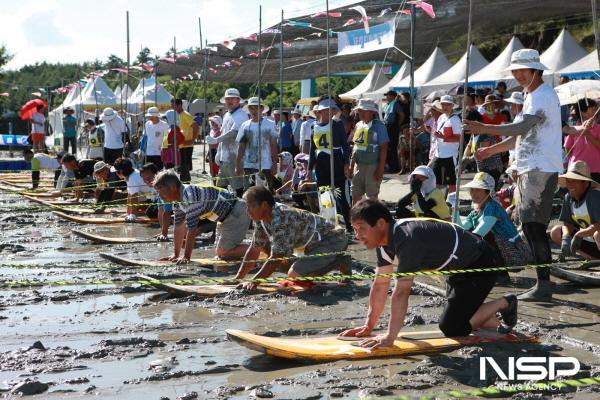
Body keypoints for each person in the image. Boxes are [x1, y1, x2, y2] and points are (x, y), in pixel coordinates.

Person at [339, 199, 517, 348]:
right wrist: (368, 326)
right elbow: (380, 285)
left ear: (380, 223)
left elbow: (401, 292)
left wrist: (389, 337)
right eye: (354, 229)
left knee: (452, 327)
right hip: (456, 269)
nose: (357, 235)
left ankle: (506, 302)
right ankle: (498, 322)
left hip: (480, 263)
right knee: (462, 315)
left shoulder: (407, 238)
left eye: (361, 228)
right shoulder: (384, 241)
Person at [464, 48, 563, 301]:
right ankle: (542, 282)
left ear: (535, 70)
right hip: (530, 167)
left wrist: (484, 126)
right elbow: (519, 137)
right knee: (530, 226)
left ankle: (543, 285)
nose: (518, 74)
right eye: (515, 70)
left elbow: (521, 127)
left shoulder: (542, 95)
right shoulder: (532, 95)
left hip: (540, 168)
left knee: (534, 227)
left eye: (522, 70)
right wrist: (490, 151)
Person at [235, 186, 351, 290]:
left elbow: (276, 258)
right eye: (247, 206)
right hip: (311, 244)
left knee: (294, 274)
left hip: (333, 239)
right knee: (279, 261)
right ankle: (314, 267)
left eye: (252, 206)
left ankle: (340, 263)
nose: (248, 211)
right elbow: (254, 249)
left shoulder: (280, 219)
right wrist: (238, 277)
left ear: (264, 205)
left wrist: (254, 281)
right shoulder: (262, 219)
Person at [153, 170, 254, 262]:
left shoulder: (189, 196)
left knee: (224, 252)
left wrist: (186, 257)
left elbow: (191, 230)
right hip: (224, 217)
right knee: (220, 253)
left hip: (236, 213)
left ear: (172, 187)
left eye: (161, 190)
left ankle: (259, 249)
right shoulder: (178, 200)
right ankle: (256, 248)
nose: (160, 195)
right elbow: (179, 226)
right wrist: (176, 254)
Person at [454, 172, 532, 273]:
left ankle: (499, 273)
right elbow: (462, 228)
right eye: (472, 190)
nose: (473, 193)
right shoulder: (476, 210)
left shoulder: (492, 207)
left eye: (478, 190)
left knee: (485, 237)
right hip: (503, 249)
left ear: (488, 192)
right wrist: (455, 211)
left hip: (515, 254)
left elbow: (479, 233)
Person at [307, 98, 352, 232]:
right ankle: (327, 224)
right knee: (324, 194)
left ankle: (349, 225)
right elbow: (312, 149)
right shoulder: (313, 126)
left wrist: (346, 163)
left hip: (336, 160)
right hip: (321, 162)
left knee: (340, 195)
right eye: (325, 111)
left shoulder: (337, 124)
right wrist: (309, 169)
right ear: (319, 112)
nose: (328, 113)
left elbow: (345, 145)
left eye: (331, 110)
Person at [551, 161, 600, 261]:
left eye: (574, 181)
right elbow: (567, 222)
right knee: (556, 231)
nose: (570, 184)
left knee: (598, 234)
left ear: (585, 183)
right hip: (589, 241)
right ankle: (590, 258)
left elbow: (598, 225)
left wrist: (579, 234)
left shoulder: (594, 196)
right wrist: (566, 237)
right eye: (568, 181)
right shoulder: (568, 197)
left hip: (596, 236)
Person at [348, 99, 389, 205]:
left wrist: (380, 169)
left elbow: (383, 148)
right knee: (355, 195)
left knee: (372, 198)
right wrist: (351, 166)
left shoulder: (379, 126)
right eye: (360, 110)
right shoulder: (358, 125)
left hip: (372, 165)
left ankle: (371, 220)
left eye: (364, 110)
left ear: (372, 112)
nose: (361, 113)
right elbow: (355, 147)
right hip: (358, 165)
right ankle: (355, 220)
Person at [208, 88, 248, 197]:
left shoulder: (241, 115)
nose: (229, 101)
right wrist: (218, 152)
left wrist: (216, 140)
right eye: (227, 99)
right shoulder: (226, 115)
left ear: (238, 100)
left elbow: (234, 132)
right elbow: (223, 132)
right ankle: (224, 207)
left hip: (235, 155)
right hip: (225, 156)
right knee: (221, 186)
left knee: (237, 185)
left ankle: (239, 206)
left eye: (232, 99)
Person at [233, 97, 278, 191]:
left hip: (265, 165)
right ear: (248, 109)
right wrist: (237, 165)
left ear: (261, 109)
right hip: (248, 165)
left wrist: (274, 164)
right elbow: (241, 147)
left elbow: (273, 145)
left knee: (266, 193)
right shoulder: (245, 125)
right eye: (251, 108)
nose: (254, 110)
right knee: (249, 193)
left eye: (256, 107)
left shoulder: (270, 124)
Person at [563, 98, 600, 183]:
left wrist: (588, 135)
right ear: (583, 113)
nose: (596, 111)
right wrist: (575, 160)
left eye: (596, 108)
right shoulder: (573, 129)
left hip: (595, 169)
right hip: (576, 170)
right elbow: (568, 148)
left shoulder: (598, 128)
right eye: (593, 109)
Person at [432, 95, 461, 193]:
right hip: (438, 154)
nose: (445, 106)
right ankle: (438, 203)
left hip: (450, 154)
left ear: (452, 106)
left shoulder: (456, 119)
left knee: (451, 182)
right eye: (443, 104)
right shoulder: (441, 117)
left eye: (448, 104)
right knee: (436, 181)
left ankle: (452, 204)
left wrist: (442, 137)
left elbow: (459, 138)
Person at [113, 157, 154, 222]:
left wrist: (132, 215)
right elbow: (129, 195)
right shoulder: (130, 174)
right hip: (148, 195)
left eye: (116, 171)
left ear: (120, 171)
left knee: (150, 213)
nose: (115, 174)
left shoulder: (133, 178)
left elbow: (134, 196)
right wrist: (128, 213)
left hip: (156, 197)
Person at [140, 163, 172, 241]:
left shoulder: (163, 186)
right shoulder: (156, 187)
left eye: (148, 177)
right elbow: (160, 213)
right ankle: (163, 231)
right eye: (144, 178)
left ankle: (164, 233)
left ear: (156, 174)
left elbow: (167, 213)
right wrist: (163, 232)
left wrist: (164, 234)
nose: (146, 180)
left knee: (166, 212)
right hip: (164, 199)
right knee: (159, 212)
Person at [170, 98, 199, 182]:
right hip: (183, 145)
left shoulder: (185, 114)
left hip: (187, 145)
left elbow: (196, 126)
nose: (172, 108)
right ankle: (185, 185)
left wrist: (192, 140)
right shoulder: (180, 115)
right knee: (183, 168)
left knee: (184, 168)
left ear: (179, 105)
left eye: (174, 106)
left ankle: (185, 187)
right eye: (172, 106)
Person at [382, 90, 401, 173]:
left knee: (392, 147)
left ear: (393, 96)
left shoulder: (395, 103)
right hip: (387, 126)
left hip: (392, 126)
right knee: (388, 147)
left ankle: (394, 167)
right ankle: (390, 166)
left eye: (388, 95)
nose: (386, 97)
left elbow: (402, 115)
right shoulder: (388, 104)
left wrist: (397, 125)